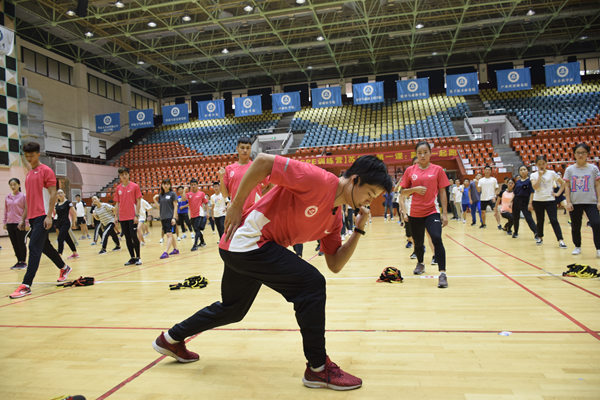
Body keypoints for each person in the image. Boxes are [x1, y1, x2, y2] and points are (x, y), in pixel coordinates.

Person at [152, 154, 393, 391]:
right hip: (248, 242)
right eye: (369, 194)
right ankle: (318, 369)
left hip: (241, 248)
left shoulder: (335, 219)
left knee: (233, 309)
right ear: (355, 180)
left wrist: (358, 230)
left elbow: (335, 264)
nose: (369, 202)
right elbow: (263, 162)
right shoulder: (318, 180)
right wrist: (236, 205)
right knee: (311, 284)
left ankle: (171, 339)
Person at [9, 142, 71, 299]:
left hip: (44, 216)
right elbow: (29, 199)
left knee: (34, 247)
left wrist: (50, 215)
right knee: (45, 247)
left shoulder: (46, 171)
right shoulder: (29, 174)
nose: (29, 158)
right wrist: (23, 219)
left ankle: (26, 285)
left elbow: (52, 194)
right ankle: (64, 267)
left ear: (38, 154)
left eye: (32, 155)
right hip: (32, 218)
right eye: (27, 156)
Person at [400, 141, 450, 288]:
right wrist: (414, 189)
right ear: (416, 154)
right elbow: (403, 192)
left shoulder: (438, 170)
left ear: (430, 153)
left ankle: (442, 274)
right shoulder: (410, 170)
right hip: (415, 212)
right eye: (419, 153)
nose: (422, 155)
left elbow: (442, 192)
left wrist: (445, 214)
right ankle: (420, 263)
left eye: (425, 152)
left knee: (436, 238)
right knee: (418, 242)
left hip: (432, 211)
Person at [564, 143, 600, 257]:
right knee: (575, 225)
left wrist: (599, 200)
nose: (580, 155)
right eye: (578, 153)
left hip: (591, 201)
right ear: (574, 154)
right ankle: (577, 246)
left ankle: (599, 248)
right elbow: (567, 186)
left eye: (583, 153)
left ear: (587, 154)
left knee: (596, 223)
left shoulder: (593, 168)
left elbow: (597, 185)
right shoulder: (569, 170)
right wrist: (568, 201)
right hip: (575, 202)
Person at [219, 137, 268, 211]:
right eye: (242, 148)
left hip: (254, 211)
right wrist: (221, 178)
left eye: (248, 148)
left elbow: (271, 185)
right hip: (236, 212)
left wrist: (260, 196)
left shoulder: (257, 167)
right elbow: (224, 194)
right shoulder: (229, 169)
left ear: (251, 149)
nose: (245, 150)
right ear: (237, 148)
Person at [530, 156, 567, 248]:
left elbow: (563, 183)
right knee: (540, 220)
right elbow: (535, 187)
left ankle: (560, 240)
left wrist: (558, 193)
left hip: (550, 200)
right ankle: (540, 237)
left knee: (554, 220)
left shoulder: (552, 173)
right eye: (539, 164)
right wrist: (540, 176)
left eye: (543, 164)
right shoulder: (533, 175)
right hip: (538, 200)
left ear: (546, 164)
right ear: (536, 165)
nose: (541, 166)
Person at [114, 167, 143, 266]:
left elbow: (139, 201)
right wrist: (115, 216)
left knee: (134, 236)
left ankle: (138, 257)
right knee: (127, 237)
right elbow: (117, 203)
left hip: (132, 216)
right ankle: (132, 258)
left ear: (128, 175)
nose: (124, 176)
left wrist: (137, 215)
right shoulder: (118, 188)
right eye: (122, 175)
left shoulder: (135, 186)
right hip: (122, 217)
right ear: (120, 176)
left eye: (126, 174)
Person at [4, 178, 28, 270]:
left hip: (20, 223)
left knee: (21, 243)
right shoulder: (7, 197)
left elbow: (26, 210)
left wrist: (26, 222)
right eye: (11, 185)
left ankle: (23, 262)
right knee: (14, 244)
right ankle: (18, 261)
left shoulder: (23, 196)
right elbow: (6, 210)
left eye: (14, 184)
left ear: (19, 185)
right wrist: (5, 222)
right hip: (10, 223)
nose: (13, 186)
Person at [154, 179, 179, 259]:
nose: (165, 185)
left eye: (167, 184)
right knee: (170, 234)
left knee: (169, 235)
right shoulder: (161, 195)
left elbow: (175, 206)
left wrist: (174, 218)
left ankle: (166, 252)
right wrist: (154, 200)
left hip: (170, 218)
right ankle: (175, 249)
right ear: (162, 185)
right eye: (164, 184)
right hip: (163, 218)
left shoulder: (173, 194)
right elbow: (160, 208)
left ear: (170, 185)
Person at [512, 165, 538, 239]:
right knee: (515, 217)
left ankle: (536, 232)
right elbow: (515, 193)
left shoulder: (530, 181)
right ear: (519, 172)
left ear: (527, 171)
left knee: (528, 217)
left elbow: (532, 193)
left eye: (524, 169)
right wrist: (511, 202)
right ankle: (515, 232)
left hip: (525, 201)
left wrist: (530, 203)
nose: (523, 171)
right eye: (521, 170)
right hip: (516, 201)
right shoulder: (517, 182)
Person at [54, 189, 79, 259]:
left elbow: (74, 213)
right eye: (58, 193)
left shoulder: (68, 202)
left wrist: (74, 222)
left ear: (64, 194)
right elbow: (55, 213)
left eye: (61, 193)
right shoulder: (57, 204)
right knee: (67, 239)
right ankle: (75, 252)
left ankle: (59, 254)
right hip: (59, 223)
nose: (60, 194)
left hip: (66, 223)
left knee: (60, 238)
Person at [187, 178, 208, 251]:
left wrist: (207, 213)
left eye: (194, 185)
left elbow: (206, 203)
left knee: (197, 229)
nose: (193, 186)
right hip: (192, 215)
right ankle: (202, 242)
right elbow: (183, 199)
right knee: (197, 230)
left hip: (200, 214)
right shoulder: (188, 194)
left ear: (197, 185)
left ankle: (195, 245)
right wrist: (184, 190)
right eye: (192, 185)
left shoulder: (201, 194)